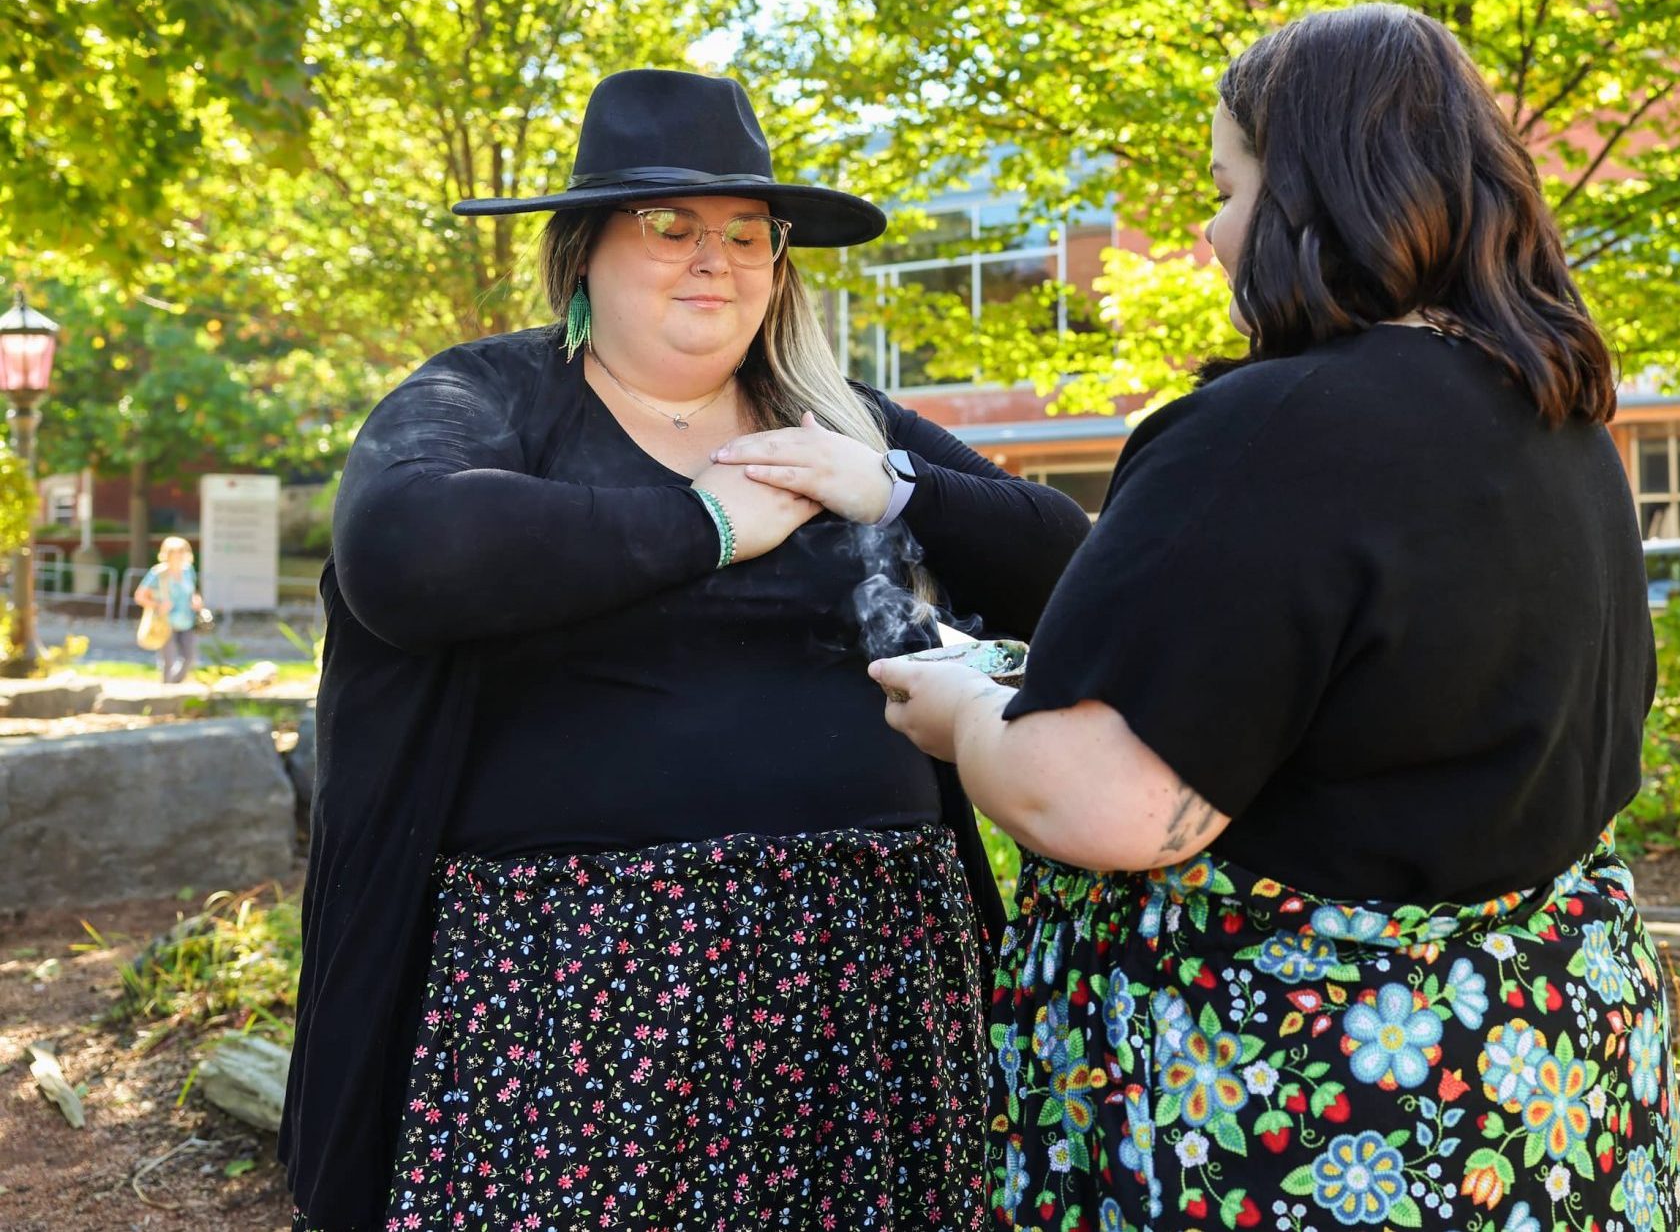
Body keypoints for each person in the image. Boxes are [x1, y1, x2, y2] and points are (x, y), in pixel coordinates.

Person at [874, 4, 1680, 1232]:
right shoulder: (1555, 419)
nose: (1208, 232)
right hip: (1540, 1099)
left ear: (1313, 190)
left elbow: (1104, 803)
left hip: (1316, 1117)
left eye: (1227, 186)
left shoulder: (1271, 430)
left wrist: (966, 714)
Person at [280, 69, 1092, 1232]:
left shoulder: (839, 419)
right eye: (669, 226)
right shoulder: (489, 395)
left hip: (863, 983)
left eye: (747, 235)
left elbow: (1080, 572)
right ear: (583, 251)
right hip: (577, 989)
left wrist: (898, 486)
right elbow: (405, 549)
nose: (715, 258)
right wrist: (704, 524)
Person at [133, 536, 209, 683]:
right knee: (168, 660)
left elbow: (193, 591)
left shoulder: (188, 570)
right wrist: (157, 605)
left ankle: (175, 683)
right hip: (166, 621)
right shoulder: (158, 573)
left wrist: (196, 600)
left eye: (182, 551)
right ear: (167, 554)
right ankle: (166, 688)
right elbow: (139, 596)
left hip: (188, 620)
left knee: (190, 657)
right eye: (175, 552)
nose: (179, 555)